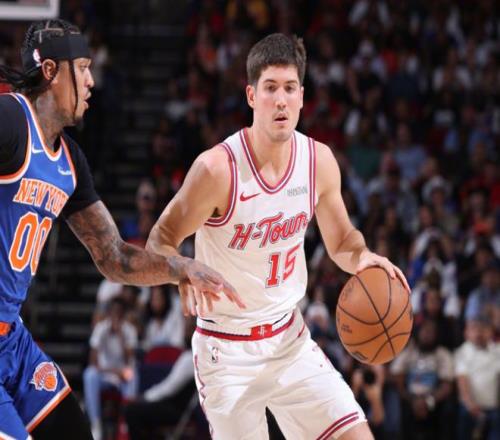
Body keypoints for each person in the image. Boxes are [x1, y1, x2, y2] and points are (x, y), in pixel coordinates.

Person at [147, 33, 409, 440]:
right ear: (252, 96)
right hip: (226, 352)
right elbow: (160, 239)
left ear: (302, 96)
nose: (281, 100)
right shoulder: (217, 169)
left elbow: (342, 241)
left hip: (289, 339)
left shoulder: (318, 161)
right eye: (270, 88)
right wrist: (179, 268)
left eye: (289, 88)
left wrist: (362, 258)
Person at [0, 19, 244, 440]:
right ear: (52, 72)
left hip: (12, 341)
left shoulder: (69, 161)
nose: (92, 81)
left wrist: (180, 268)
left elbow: (113, 256)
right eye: (83, 68)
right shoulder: (9, 118)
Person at [83, 297, 139, 440]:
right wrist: (111, 371)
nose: (116, 315)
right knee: (89, 374)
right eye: (113, 312)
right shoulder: (101, 328)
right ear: (109, 313)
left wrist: (121, 336)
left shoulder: (130, 330)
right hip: (105, 375)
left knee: (132, 375)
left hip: (122, 376)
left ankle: (125, 424)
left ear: (123, 314)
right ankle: (95, 423)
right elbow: (92, 361)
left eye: (119, 312)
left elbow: (130, 360)